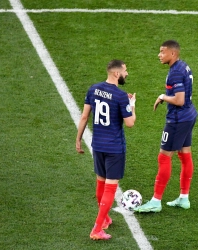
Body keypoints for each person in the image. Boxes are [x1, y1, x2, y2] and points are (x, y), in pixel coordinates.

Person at [134, 40, 197, 213]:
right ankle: (184, 198)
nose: (159, 55)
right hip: (189, 115)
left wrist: (162, 97)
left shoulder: (175, 73)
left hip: (177, 120)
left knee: (164, 158)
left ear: (173, 54)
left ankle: (156, 201)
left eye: (162, 52)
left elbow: (179, 100)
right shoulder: (184, 66)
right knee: (185, 155)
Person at [76, 59, 136, 240]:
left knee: (100, 183)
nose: (126, 73)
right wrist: (132, 105)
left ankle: (105, 219)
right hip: (114, 148)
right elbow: (130, 123)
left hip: (98, 146)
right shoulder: (120, 96)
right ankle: (97, 229)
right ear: (116, 73)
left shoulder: (93, 89)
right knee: (110, 188)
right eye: (125, 70)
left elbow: (85, 115)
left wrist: (78, 139)